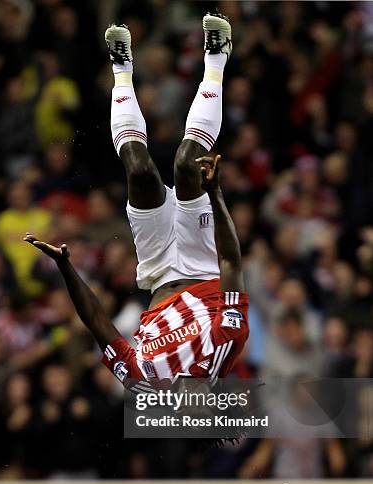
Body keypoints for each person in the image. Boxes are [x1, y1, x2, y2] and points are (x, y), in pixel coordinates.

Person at [23, 12, 249, 391]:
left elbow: (98, 324)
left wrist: (66, 268)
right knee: (186, 165)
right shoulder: (225, 346)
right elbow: (230, 263)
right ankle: (216, 59)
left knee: (139, 170)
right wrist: (216, 193)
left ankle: (121, 69)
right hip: (202, 261)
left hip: (157, 267)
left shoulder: (142, 380)